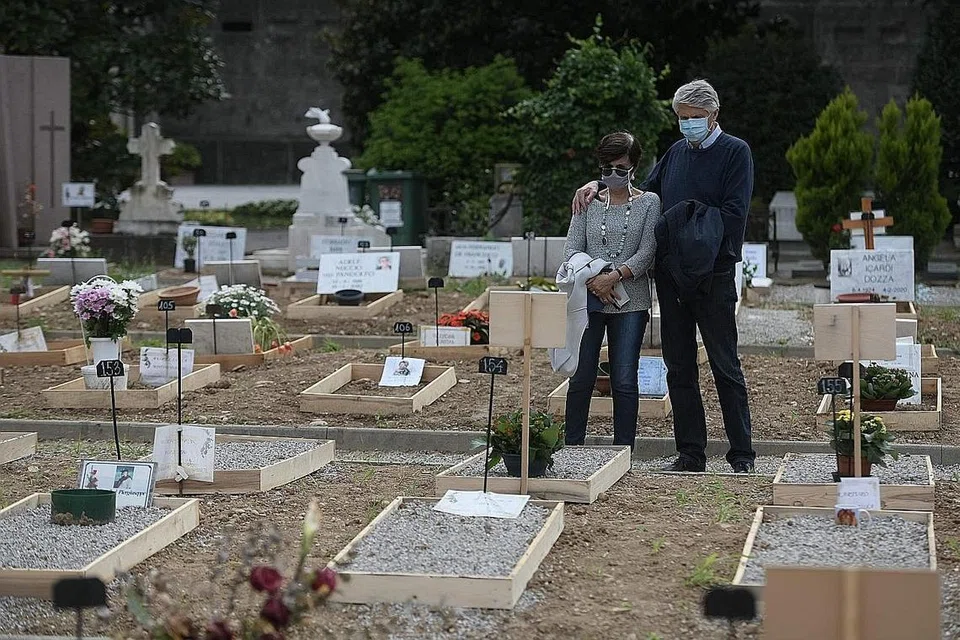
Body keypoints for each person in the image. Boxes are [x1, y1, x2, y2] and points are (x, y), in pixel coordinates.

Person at [571, 80, 756, 473]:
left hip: (713, 274)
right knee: (679, 366)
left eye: (694, 118)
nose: (687, 124)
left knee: (725, 365)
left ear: (713, 115)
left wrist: (686, 225)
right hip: (673, 278)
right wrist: (596, 183)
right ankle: (691, 452)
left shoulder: (735, 153)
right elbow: (643, 195)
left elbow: (734, 214)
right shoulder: (675, 154)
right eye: (682, 118)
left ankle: (741, 452)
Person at [558, 131, 659, 448]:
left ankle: (623, 448)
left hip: (632, 302)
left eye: (621, 168)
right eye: (606, 168)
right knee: (581, 375)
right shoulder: (587, 202)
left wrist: (614, 276)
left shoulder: (648, 203)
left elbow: (647, 252)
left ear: (634, 167)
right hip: (588, 300)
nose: (612, 175)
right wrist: (597, 280)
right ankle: (573, 444)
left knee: (625, 377)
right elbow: (572, 250)